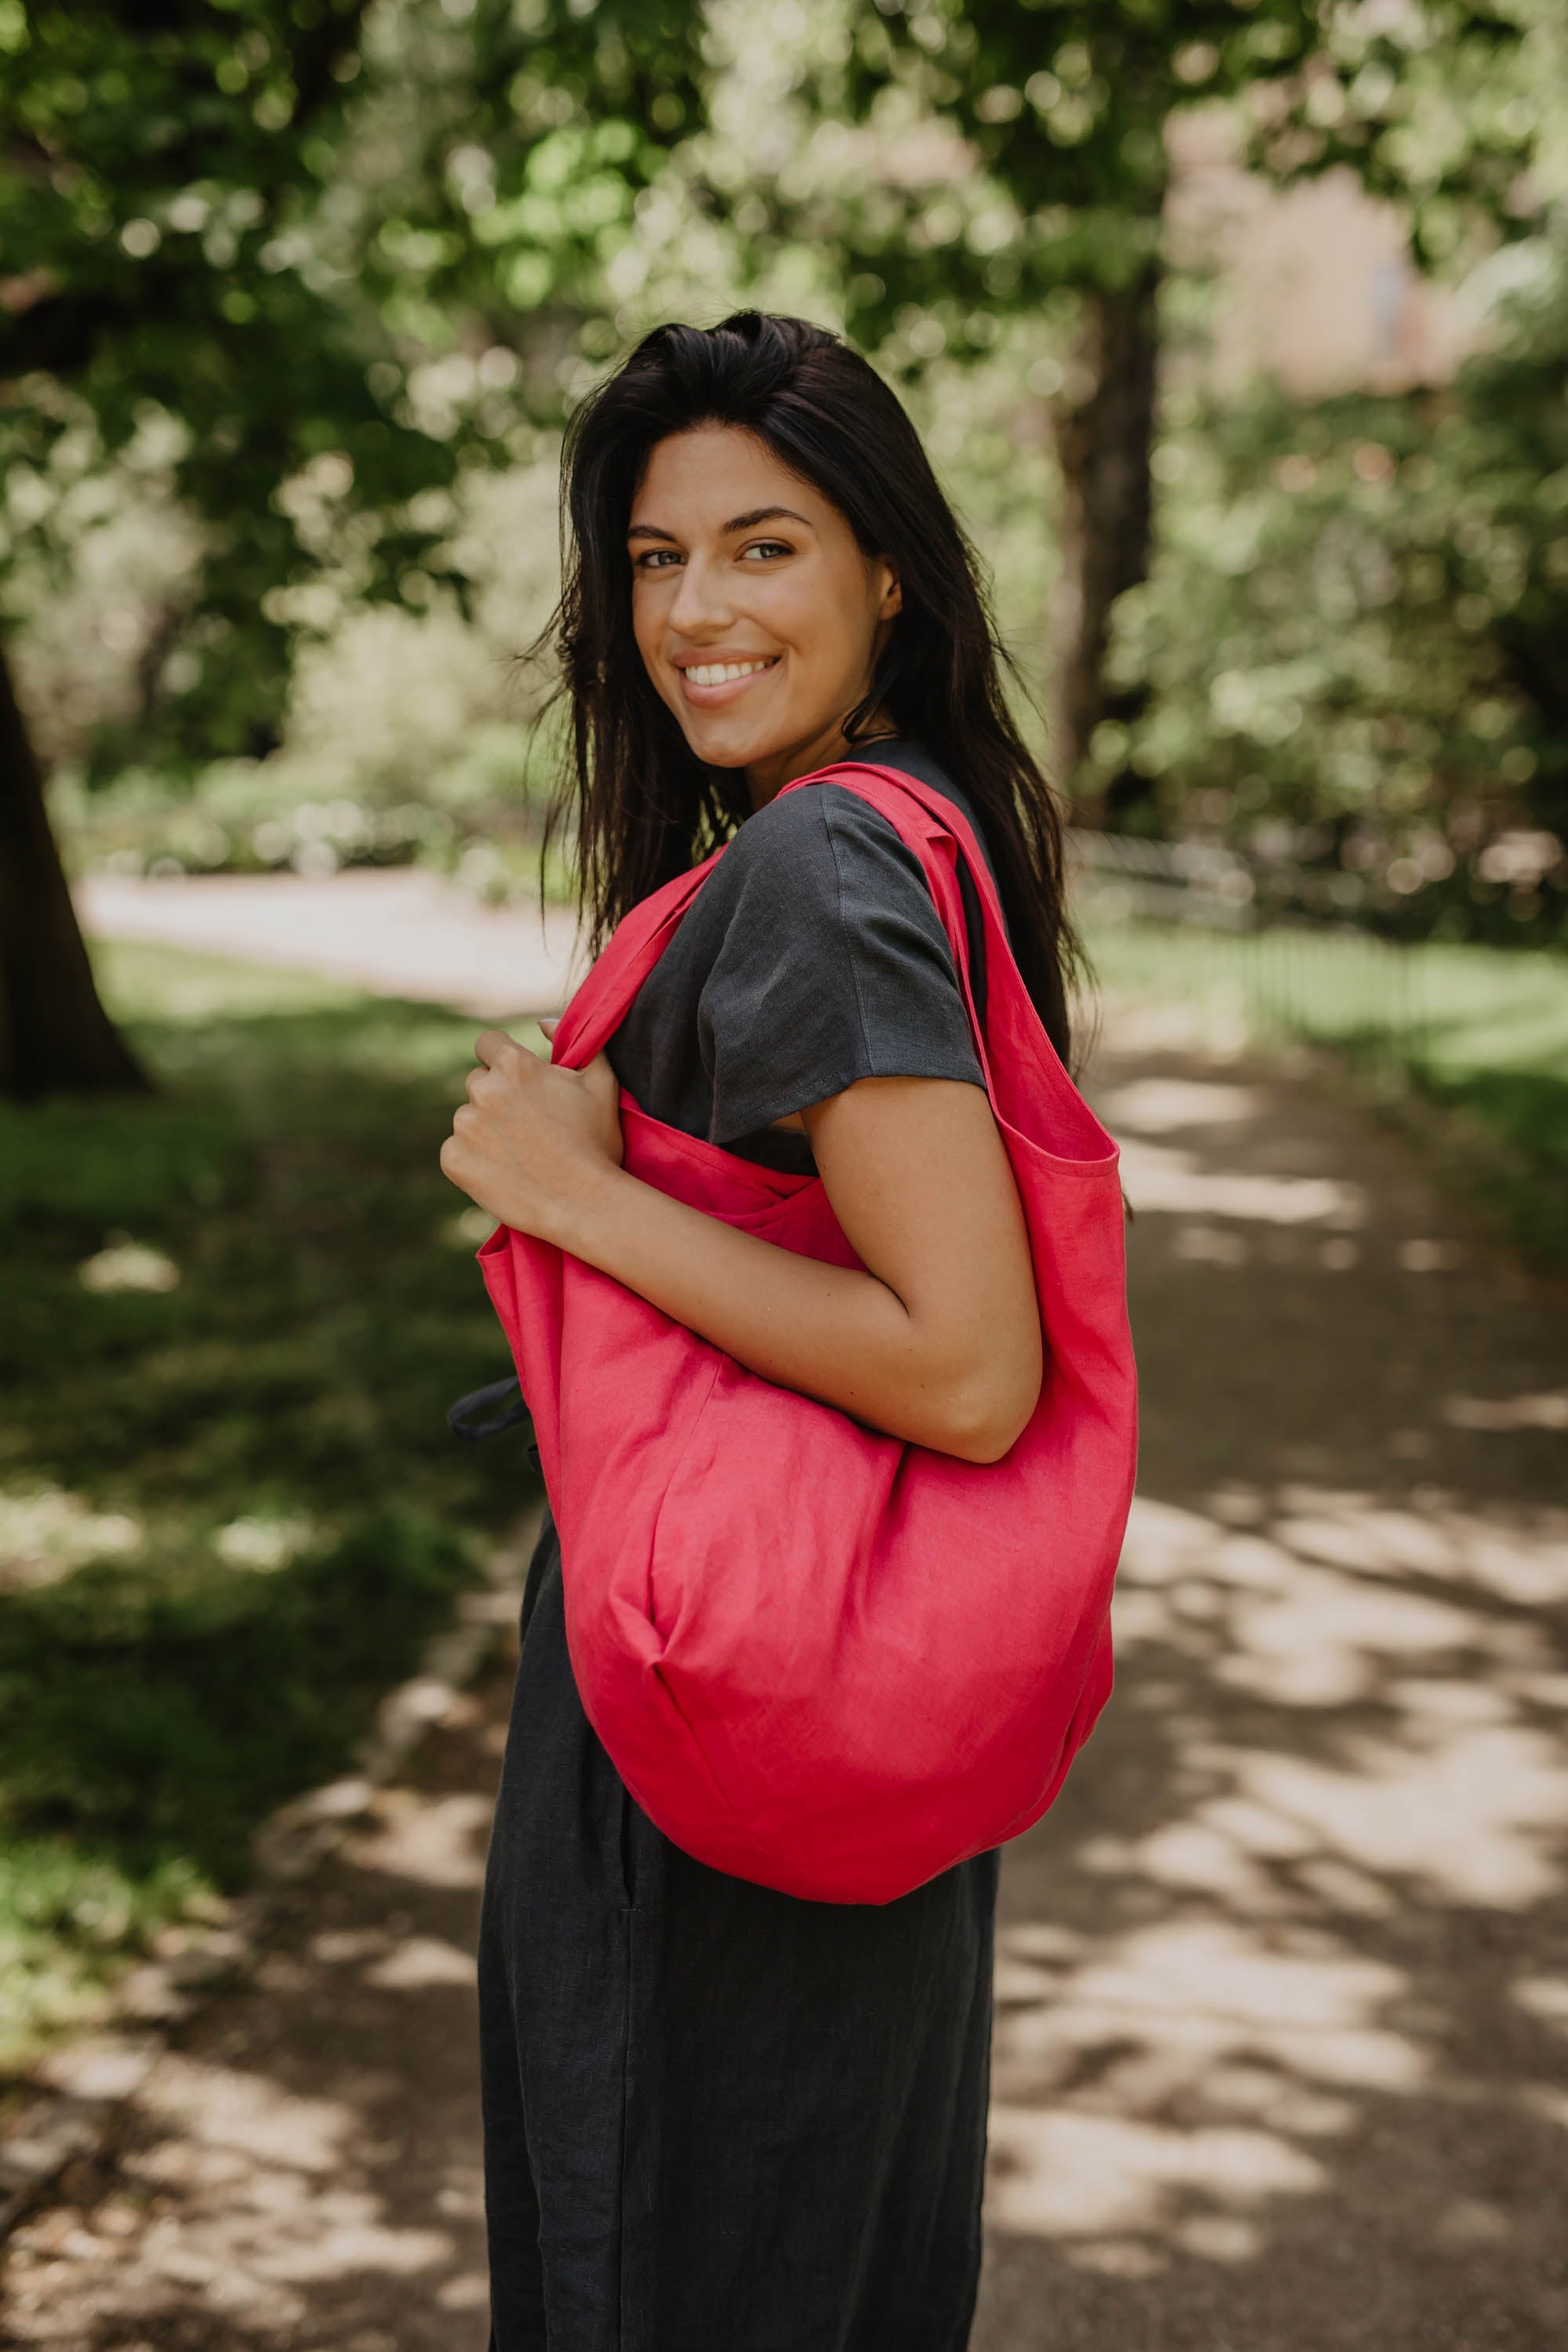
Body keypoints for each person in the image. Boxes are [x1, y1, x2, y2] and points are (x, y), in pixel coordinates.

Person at [439, 310, 1091, 2352]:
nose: (696, 610)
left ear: (888, 568)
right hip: (835, 1707)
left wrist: (578, 1199)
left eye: (765, 545)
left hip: (725, 1728)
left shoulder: (820, 864)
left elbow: (969, 1369)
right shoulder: (904, 824)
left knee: (673, 2271)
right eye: (655, 559)